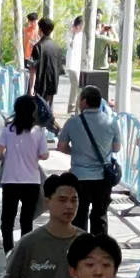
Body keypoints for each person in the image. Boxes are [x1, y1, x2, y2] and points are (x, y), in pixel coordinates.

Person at [57, 81, 122, 235]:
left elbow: (61, 147)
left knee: (79, 216)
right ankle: (99, 248)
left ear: (84, 101)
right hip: (103, 177)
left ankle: (81, 248)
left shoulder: (73, 122)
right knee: (100, 215)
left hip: (80, 177)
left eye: (80, 99)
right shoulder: (111, 122)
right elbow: (116, 148)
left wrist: (76, 152)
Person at [0, 93, 54, 246]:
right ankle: (24, 251)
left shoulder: (8, 130)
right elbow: (44, 155)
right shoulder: (38, 132)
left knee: (7, 220)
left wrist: (5, 158)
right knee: (26, 220)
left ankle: (8, 252)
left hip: (10, 180)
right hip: (31, 181)